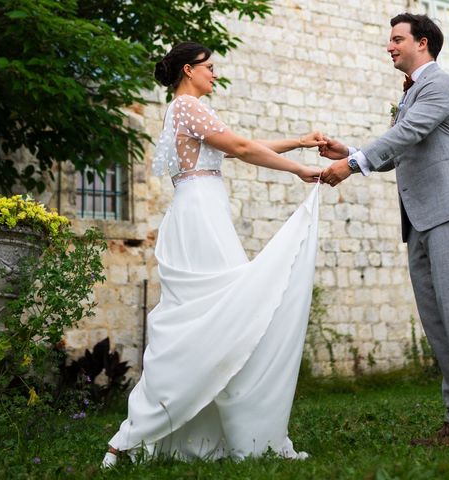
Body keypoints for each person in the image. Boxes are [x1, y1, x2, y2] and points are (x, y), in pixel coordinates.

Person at [102, 41, 323, 467]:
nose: (215, 74)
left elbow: (242, 144)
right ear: (189, 69)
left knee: (223, 317)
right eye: (210, 68)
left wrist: (298, 142)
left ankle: (217, 431)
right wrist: (301, 170)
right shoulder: (186, 107)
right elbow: (240, 147)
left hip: (204, 209)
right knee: (225, 316)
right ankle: (130, 437)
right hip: (200, 214)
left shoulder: (189, 110)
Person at [320, 13, 449, 445]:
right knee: (436, 321)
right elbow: (403, 148)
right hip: (420, 220)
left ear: (423, 43)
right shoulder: (414, 93)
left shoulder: (439, 84)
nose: (390, 47)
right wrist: (353, 150)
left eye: (397, 39)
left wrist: (351, 165)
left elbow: (409, 132)